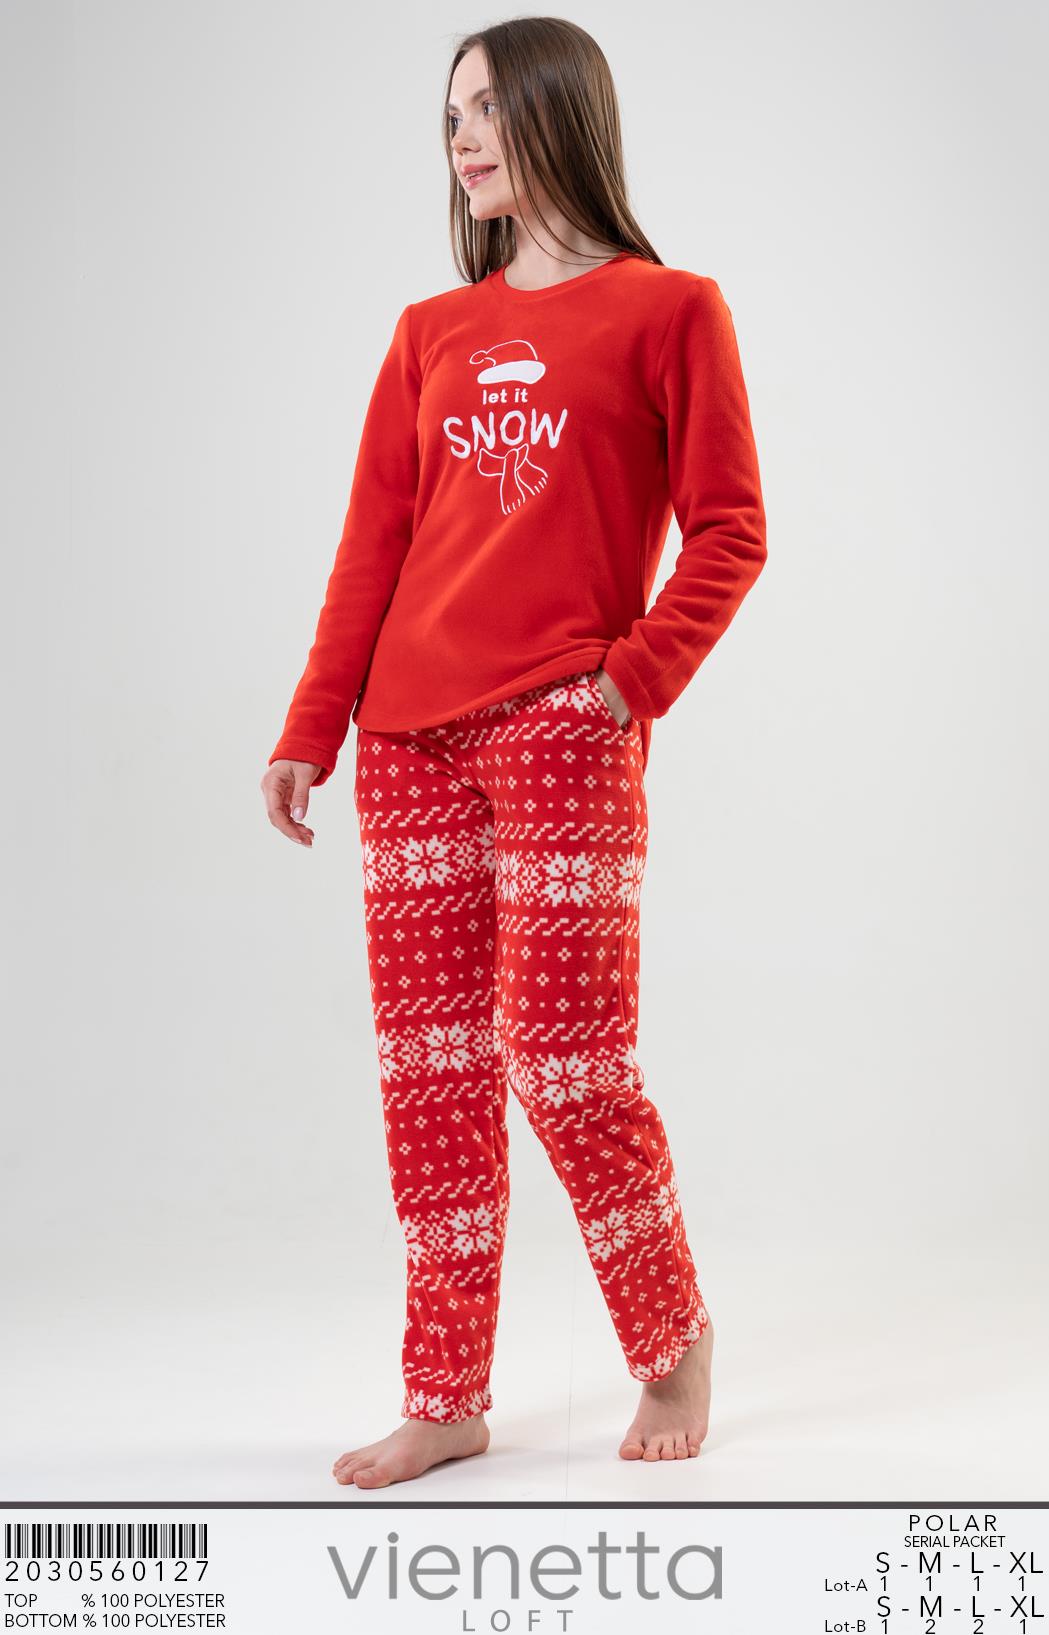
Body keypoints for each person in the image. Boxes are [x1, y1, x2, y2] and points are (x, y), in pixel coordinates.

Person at [261, 16, 767, 1490]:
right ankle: (446, 1397)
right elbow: (374, 544)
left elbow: (730, 529)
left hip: (563, 725)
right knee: (432, 1078)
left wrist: (628, 686)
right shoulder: (431, 331)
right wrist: (313, 724)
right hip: (405, 737)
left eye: (486, 109)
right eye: (450, 118)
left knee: (563, 1056)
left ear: (559, 113)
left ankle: (671, 1336)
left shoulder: (672, 309)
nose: (464, 138)